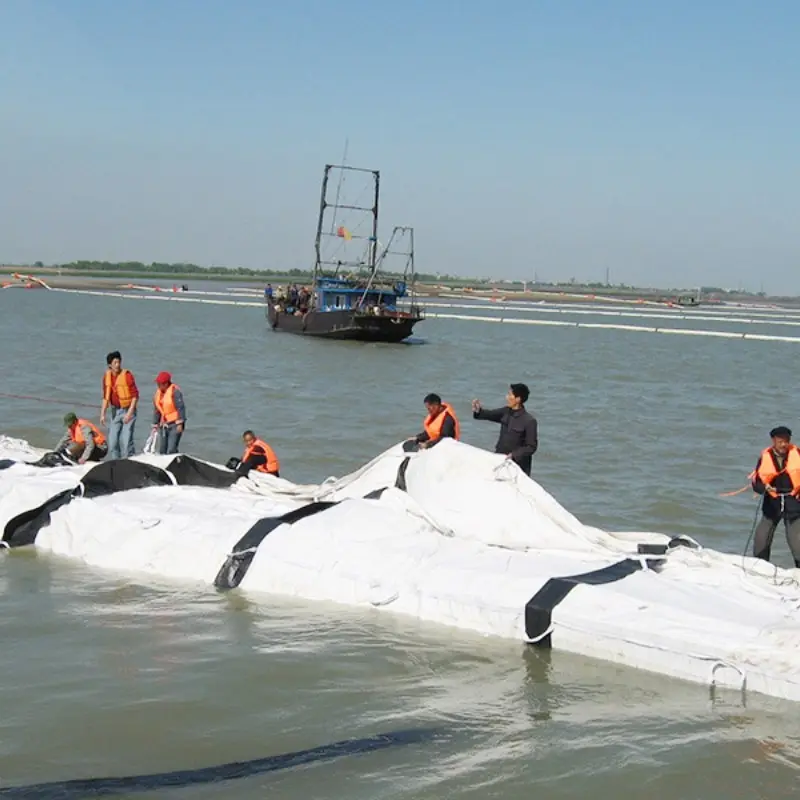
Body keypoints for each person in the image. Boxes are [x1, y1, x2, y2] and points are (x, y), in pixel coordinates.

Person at [750, 426, 800, 568]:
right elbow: (756, 482)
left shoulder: (798, 454)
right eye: (780, 441)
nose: (783, 445)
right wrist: (764, 488)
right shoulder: (765, 457)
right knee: (761, 539)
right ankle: (760, 569)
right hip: (772, 505)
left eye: (786, 441)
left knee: (798, 543)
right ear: (773, 441)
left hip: (794, 506)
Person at [472, 383, 538, 475]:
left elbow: (531, 447)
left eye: (510, 395)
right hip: (500, 460)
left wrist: (514, 455)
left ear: (518, 399)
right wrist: (478, 410)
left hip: (518, 466)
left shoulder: (529, 421)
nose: (507, 397)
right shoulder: (505, 412)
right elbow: (489, 414)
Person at [100, 350, 139, 459]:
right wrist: (102, 414)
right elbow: (105, 397)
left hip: (128, 410)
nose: (117, 365)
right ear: (109, 365)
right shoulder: (106, 377)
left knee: (126, 442)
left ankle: (129, 463)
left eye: (119, 362)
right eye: (115, 363)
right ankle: (116, 464)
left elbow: (135, 396)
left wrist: (129, 414)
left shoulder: (127, 376)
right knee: (113, 443)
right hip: (115, 411)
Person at [152, 372, 186, 455]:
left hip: (175, 424)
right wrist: (155, 424)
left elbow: (180, 407)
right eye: (158, 384)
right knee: (162, 449)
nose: (158, 386)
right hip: (163, 425)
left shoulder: (175, 392)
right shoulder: (158, 394)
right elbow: (157, 409)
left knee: (172, 449)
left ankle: (175, 464)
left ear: (166, 383)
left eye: (160, 384)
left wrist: (180, 424)